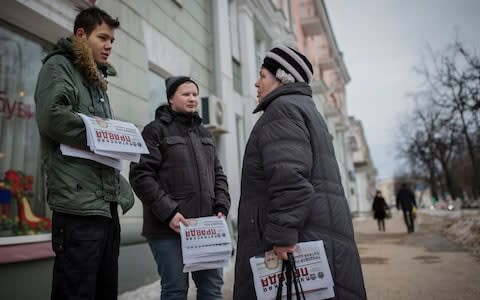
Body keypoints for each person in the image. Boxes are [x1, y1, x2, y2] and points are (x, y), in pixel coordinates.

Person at [233, 45, 367, 299]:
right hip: (315, 230)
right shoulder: (305, 109)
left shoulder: (282, 111)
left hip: (298, 237)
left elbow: (290, 177)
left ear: (283, 76)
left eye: (262, 75)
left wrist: (282, 234)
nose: (256, 82)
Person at [34, 7, 134, 300]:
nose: (109, 46)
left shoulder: (96, 81)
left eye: (112, 41)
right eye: (103, 37)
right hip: (77, 208)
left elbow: (101, 140)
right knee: (76, 293)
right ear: (81, 34)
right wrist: (106, 135)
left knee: (104, 292)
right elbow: (53, 116)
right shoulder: (60, 67)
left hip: (105, 206)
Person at [129, 76, 230, 300]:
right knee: (175, 291)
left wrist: (221, 205)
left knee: (212, 290)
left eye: (195, 94)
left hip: (205, 230)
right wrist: (170, 213)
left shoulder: (205, 133)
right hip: (168, 230)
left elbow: (219, 175)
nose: (192, 98)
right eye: (186, 94)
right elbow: (140, 175)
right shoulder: (155, 131)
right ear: (171, 99)